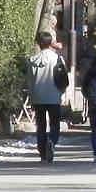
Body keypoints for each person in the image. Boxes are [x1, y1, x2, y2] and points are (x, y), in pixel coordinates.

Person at [27, 30, 65, 164]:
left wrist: (31, 98)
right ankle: (52, 141)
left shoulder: (32, 60)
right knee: (55, 124)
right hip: (54, 96)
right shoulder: (57, 59)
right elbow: (63, 79)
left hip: (38, 97)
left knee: (41, 126)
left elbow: (30, 82)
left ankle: (42, 153)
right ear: (50, 43)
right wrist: (62, 92)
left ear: (38, 43)